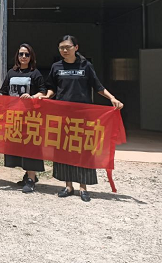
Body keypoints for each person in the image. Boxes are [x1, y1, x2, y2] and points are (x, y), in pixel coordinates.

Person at [44, 35, 124, 202]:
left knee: (83, 149)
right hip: (63, 115)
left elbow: (98, 86)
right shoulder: (56, 66)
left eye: (67, 47)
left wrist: (112, 98)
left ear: (76, 47)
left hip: (82, 117)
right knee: (64, 149)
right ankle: (68, 186)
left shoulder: (85, 66)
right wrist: (46, 97)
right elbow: (52, 87)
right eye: (61, 48)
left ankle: (83, 187)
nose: (64, 50)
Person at [0, 43, 47, 193]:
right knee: (19, 147)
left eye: (27, 54)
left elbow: (43, 92)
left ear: (31, 56)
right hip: (14, 116)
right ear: (17, 56)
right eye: (21, 54)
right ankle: (28, 174)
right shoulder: (11, 73)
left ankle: (31, 179)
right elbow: (3, 92)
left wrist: (32, 97)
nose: (24, 57)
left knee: (31, 147)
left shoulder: (35, 73)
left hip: (30, 117)